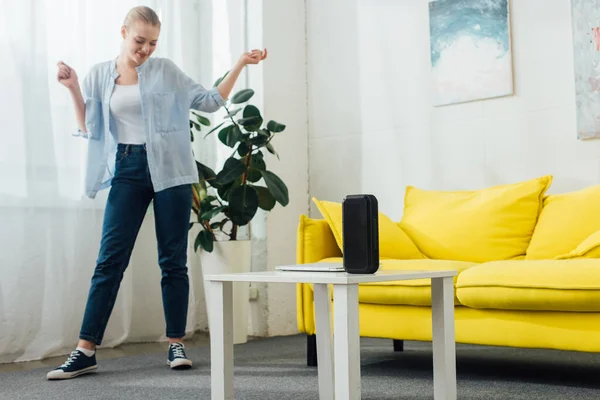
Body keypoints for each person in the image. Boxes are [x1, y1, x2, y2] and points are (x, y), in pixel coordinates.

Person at [48, 6, 267, 380]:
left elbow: (211, 101)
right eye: (139, 41)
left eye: (152, 43)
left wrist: (240, 63)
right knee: (109, 261)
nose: (146, 49)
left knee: (173, 261)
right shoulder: (101, 74)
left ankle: (176, 342)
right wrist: (72, 88)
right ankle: (86, 350)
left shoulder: (166, 71)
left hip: (173, 171)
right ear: (123, 32)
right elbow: (91, 126)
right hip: (128, 170)